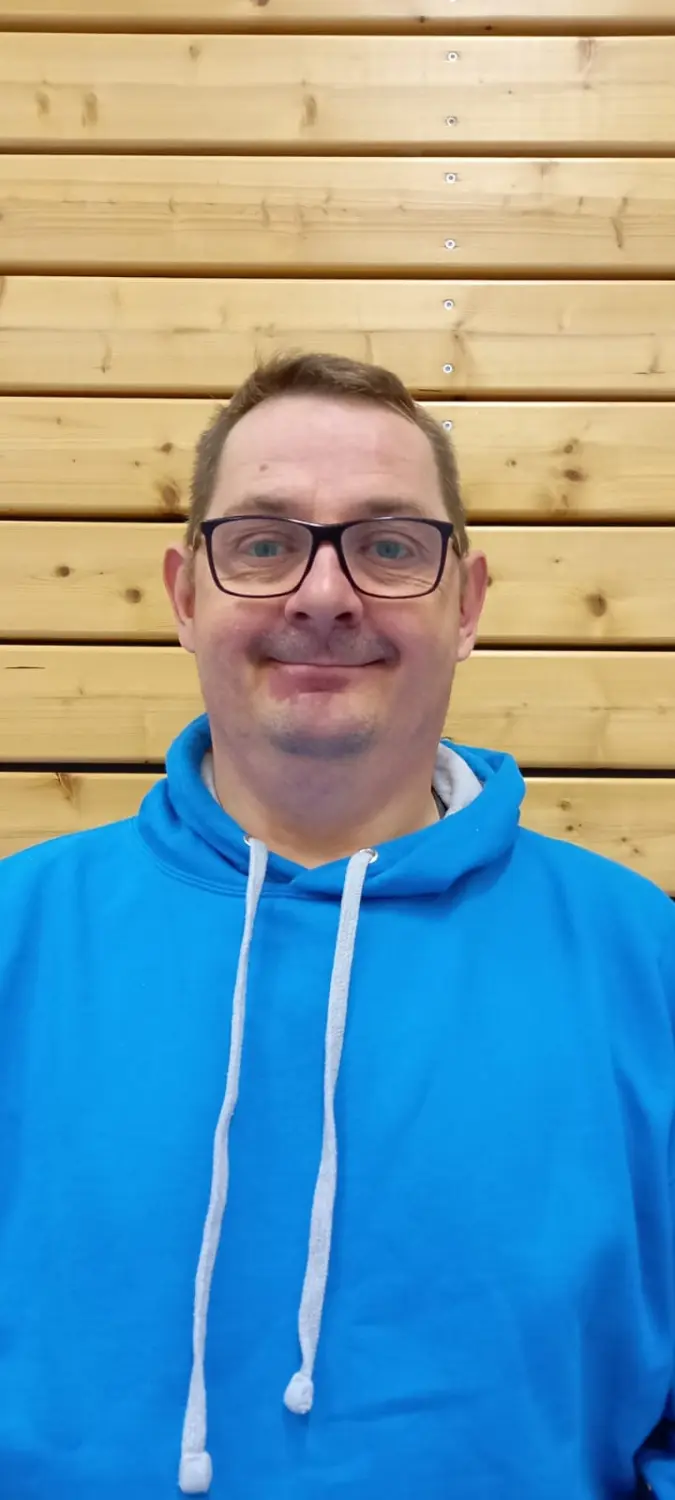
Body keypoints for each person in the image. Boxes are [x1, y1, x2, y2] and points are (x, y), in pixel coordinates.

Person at [0, 351, 673, 1500]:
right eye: (264, 543)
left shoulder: (645, 961)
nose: (323, 594)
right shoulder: (18, 939)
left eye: (389, 546)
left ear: (467, 603)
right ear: (185, 596)